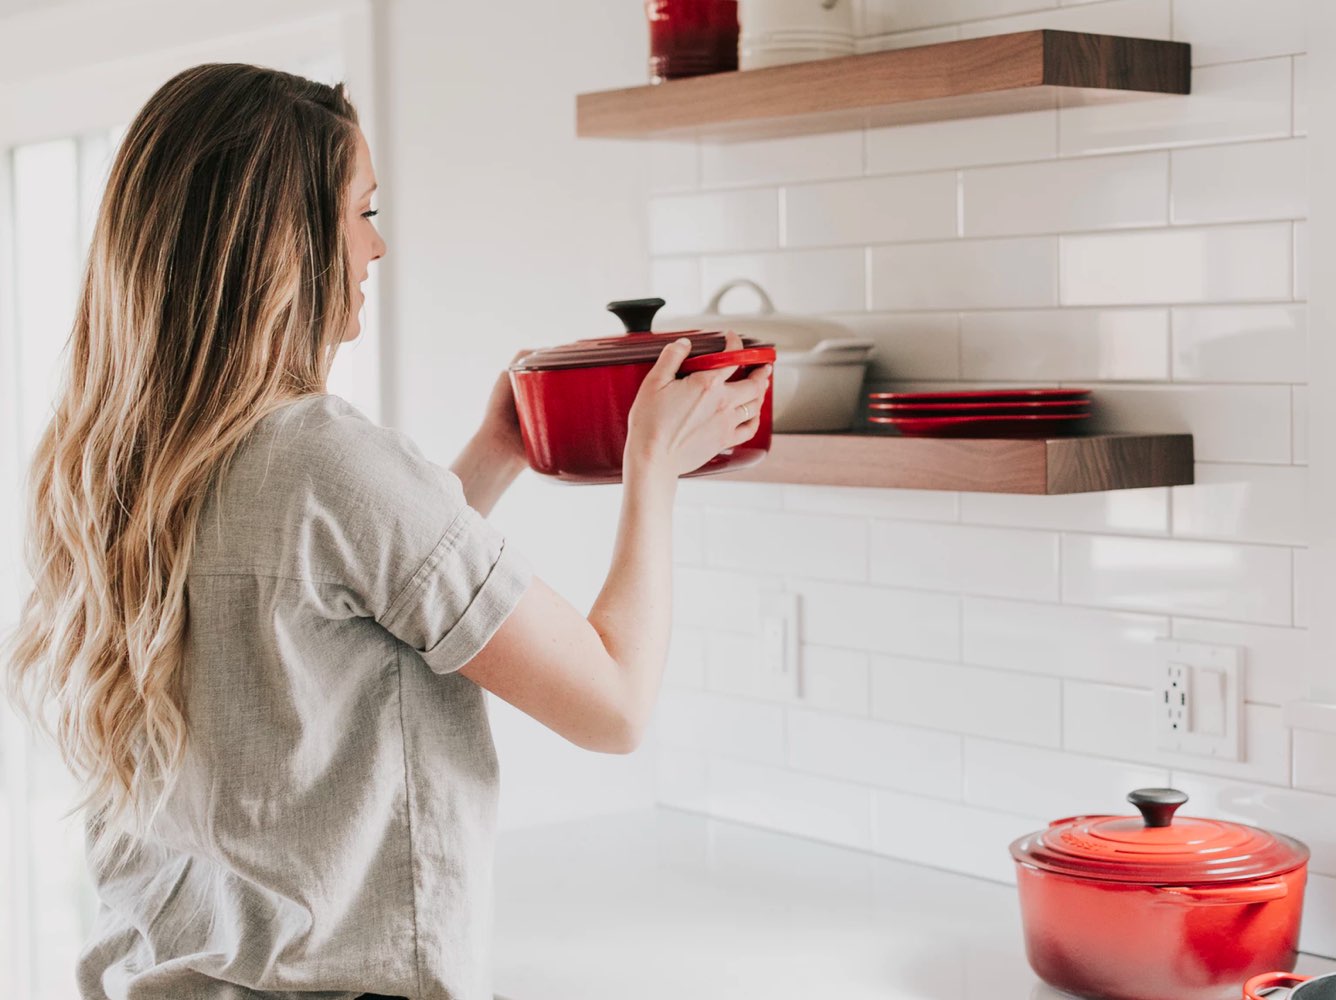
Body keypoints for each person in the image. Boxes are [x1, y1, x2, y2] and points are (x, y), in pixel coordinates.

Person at [2, 63, 770, 1000]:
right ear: (284, 242)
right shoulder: (326, 459)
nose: (379, 246)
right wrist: (653, 467)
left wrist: (493, 455)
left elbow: (338, 609)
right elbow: (614, 702)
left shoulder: (110, 464)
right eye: (363, 212)